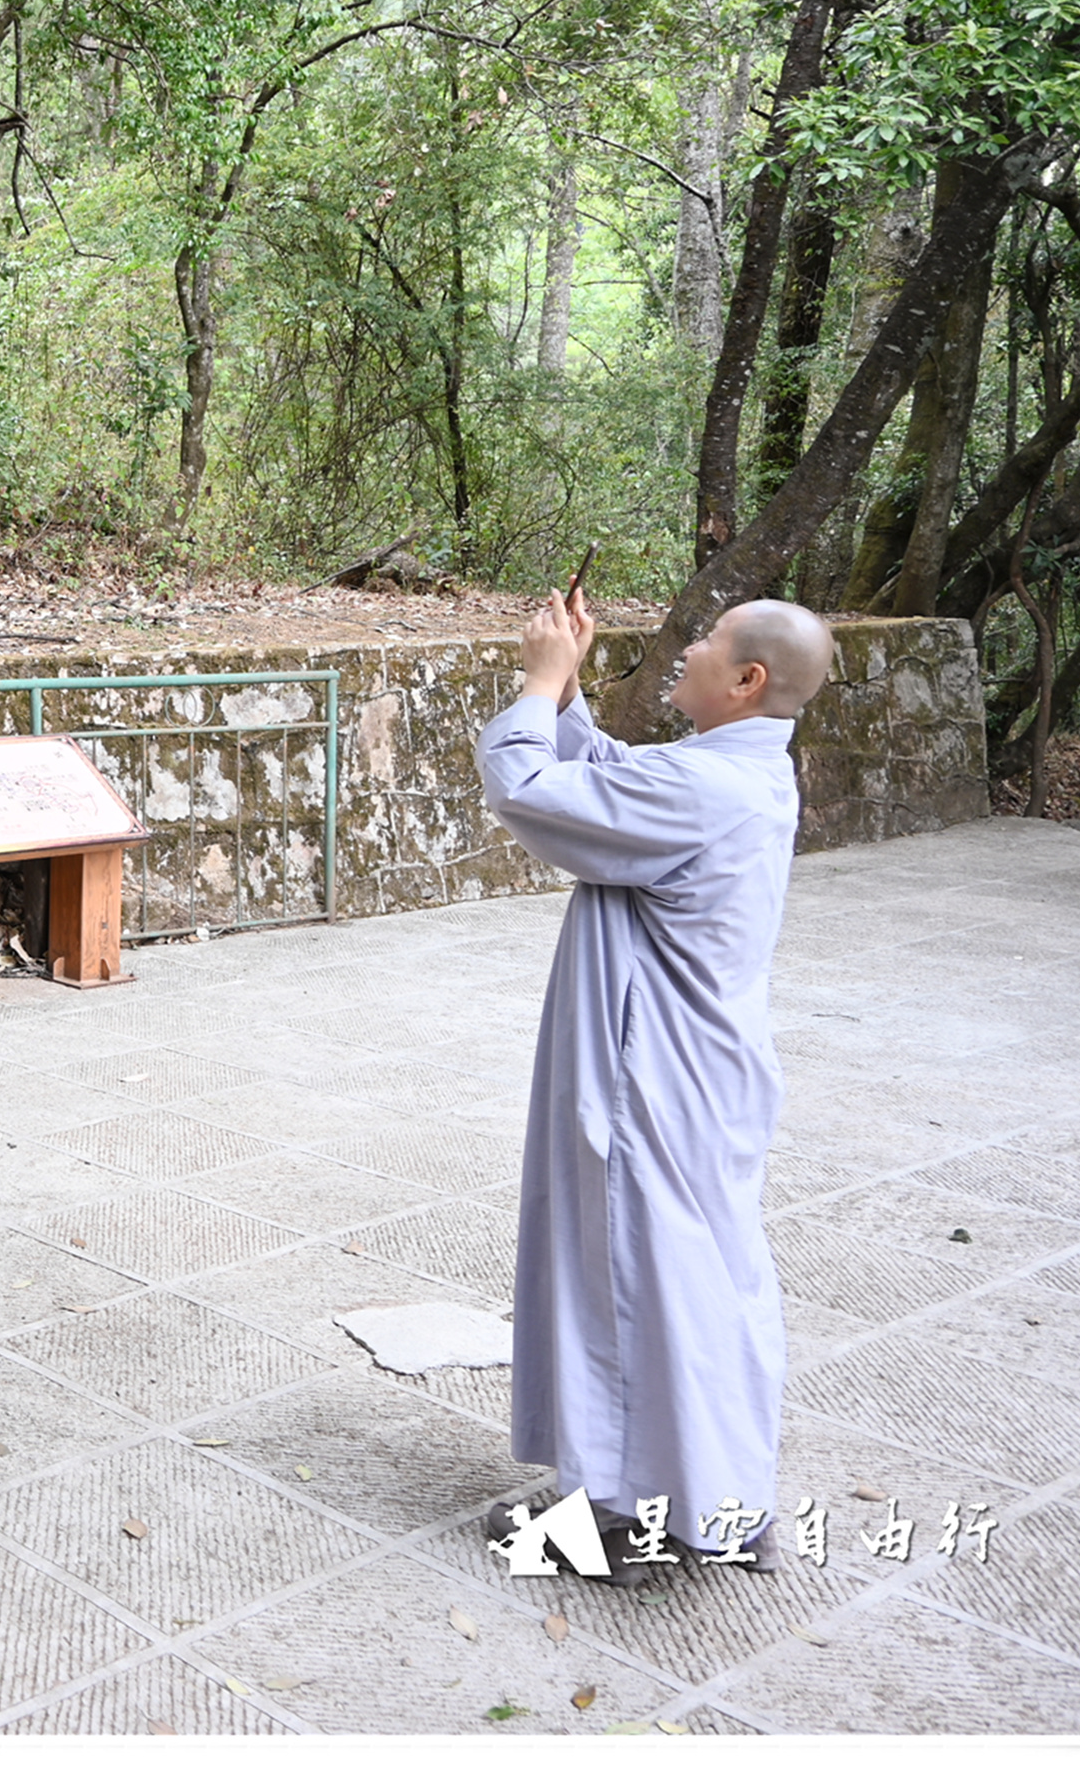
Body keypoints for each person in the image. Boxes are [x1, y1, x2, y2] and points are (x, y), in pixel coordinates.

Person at [475, 589, 838, 1583]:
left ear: (749, 679)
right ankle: (729, 1497)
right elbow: (616, 777)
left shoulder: (706, 791)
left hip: (653, 1084)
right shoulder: (737, 772)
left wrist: (539, 684)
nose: (689, 646)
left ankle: (624, 1519)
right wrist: (573, 689)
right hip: (701, 1075)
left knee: (631, 1276)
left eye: (711, 642)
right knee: (705, 1280)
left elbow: (533, 795)